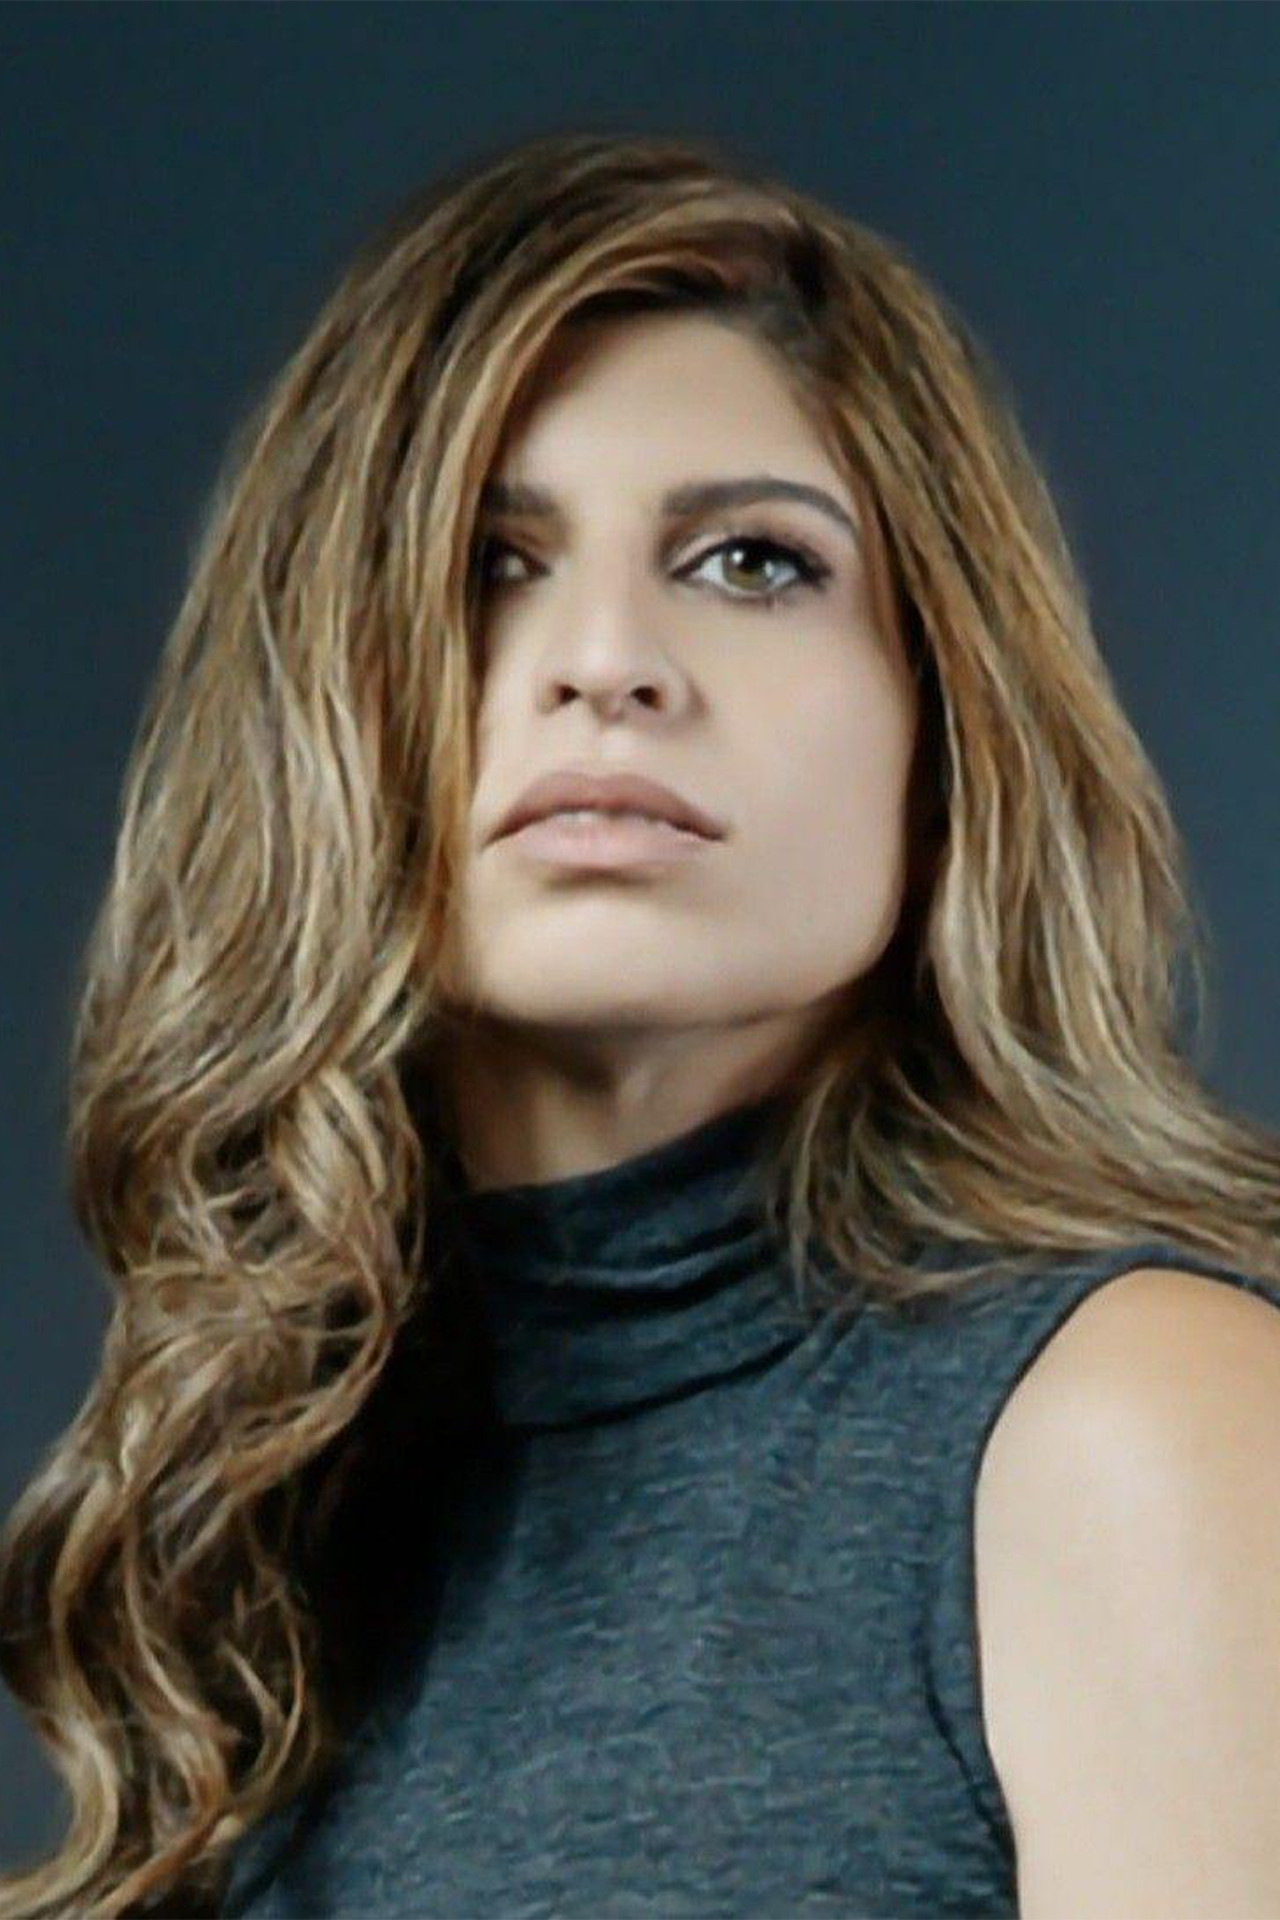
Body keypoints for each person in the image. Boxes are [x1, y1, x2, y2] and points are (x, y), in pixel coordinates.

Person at [2, 128, 1279, 1920]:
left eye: (752, 561)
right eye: (486, 561)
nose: (606, 660)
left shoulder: (1141, 1426)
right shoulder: (273, 1535)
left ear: (944, 716)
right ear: (318, 707)